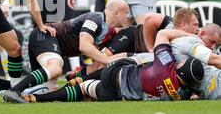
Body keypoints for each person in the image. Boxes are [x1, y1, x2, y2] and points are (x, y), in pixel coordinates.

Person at [0, 0, 129, 103]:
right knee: (56, 68)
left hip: (49, 44)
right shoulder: (96, 18)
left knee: (49, 89)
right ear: (117, 14)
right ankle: (14, 91)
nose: (128, 17)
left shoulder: (105, 29)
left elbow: (96, 62)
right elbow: (84, 46)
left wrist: (79, 75)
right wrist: (107, 59)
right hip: (45, 36)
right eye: (126, 13)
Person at [24, 29, 204, 103]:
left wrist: (191, 36)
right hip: (115, 95)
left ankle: (82, 76)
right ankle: (39, 99)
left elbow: (163, 33)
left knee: (143, 58)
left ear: (181, 68)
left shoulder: (166, 65)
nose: (180, 60)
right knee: (86, 89)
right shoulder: (183, 94)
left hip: (112, 73)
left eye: (182, 62)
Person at [169, 8, 221, 100]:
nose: (198, 29)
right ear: (184, 25)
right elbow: (214, 60)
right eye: (195, 25)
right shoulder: (187, 41)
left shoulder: (168, 43)